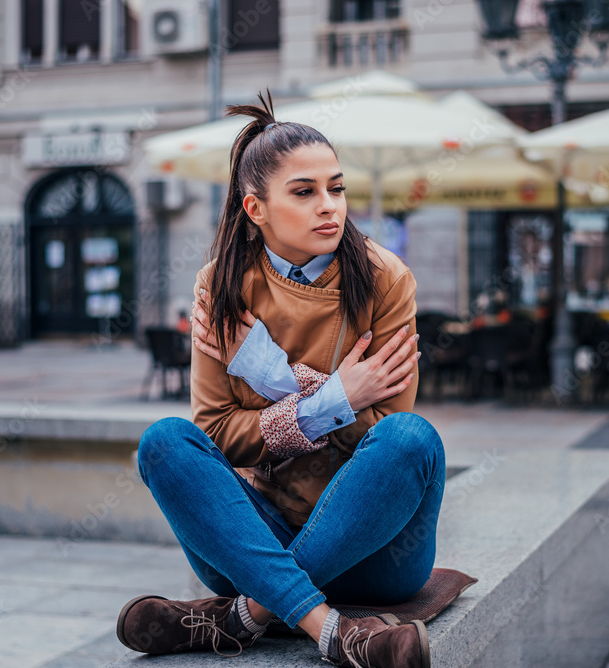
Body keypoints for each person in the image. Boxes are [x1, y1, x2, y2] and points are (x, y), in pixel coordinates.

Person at [116, 92, 443, 668]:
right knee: (164, 443)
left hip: (375, 552)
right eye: (304, 191)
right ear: (255, 208)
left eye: (336, 188)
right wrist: (333, 399)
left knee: (414, 441)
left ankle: (241, 617)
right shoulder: (220, 285)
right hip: (252, 538)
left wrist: (274, 375)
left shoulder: (387, 278)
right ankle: (334, 632)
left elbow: (385, 433)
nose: (329, 207)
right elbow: (213, 433)